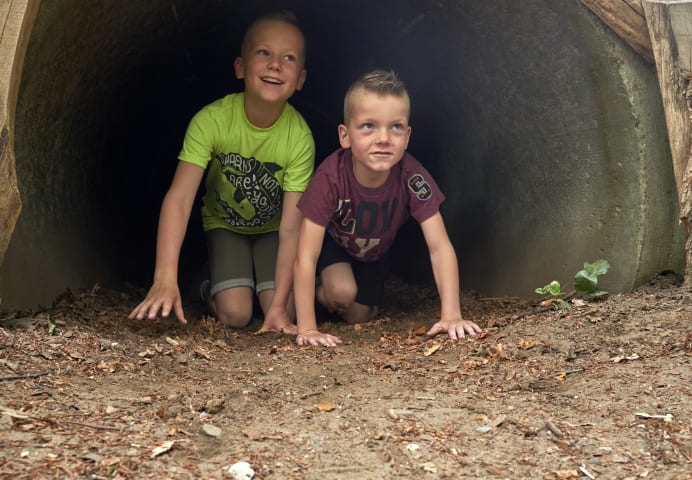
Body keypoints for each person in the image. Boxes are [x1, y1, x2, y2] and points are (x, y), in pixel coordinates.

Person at [129, 11, 314, 334]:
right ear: (240, 67)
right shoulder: (212, 120)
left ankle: (262, 289)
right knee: (236, 314)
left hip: (271, 230)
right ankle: (204, 282)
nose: (275, 65)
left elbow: (290, 229)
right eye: (263, 53)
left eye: (289, 58)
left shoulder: (299, 136)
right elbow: (181, 198)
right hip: (225, 225)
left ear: (300, 79)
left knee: (281, 308)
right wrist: (164, 276)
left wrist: (281, 308)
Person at [294, 70, 482, 347]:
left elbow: (439, 246)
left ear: (406, 137)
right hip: (334, 246)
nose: (383, 138)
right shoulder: (331, 177)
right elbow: (306, 254)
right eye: (368, 126)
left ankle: (354, 298)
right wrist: (307, 329)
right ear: (345, 136)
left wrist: (451, 315)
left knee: (358, 316)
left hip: (375, 254)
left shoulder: (412, 176)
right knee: (341, 292)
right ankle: (313, 297)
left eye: (395, 127)